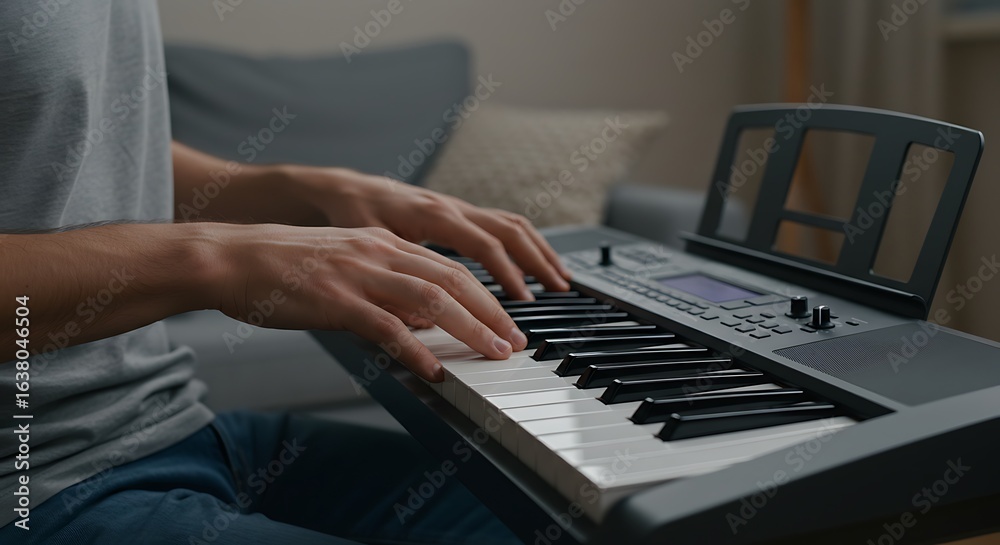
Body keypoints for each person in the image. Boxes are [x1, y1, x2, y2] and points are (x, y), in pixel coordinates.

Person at [0, 2, 570, 543]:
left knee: (601, 524)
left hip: (179, 429)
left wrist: (303, 189)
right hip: (30, 487)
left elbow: (74, 151)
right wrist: (217, 257)